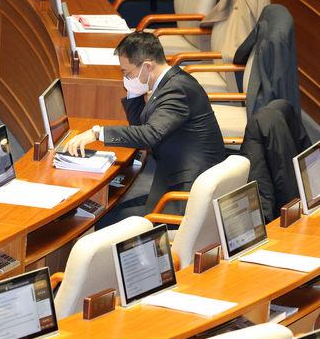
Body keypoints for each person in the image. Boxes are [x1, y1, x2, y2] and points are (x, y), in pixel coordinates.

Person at [65, 32, 225, 226]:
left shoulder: (176, 90)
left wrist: (97, 132)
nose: (125, 78)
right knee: (109, 211)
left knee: (106, 219)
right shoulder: (169, 82)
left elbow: (150, 135)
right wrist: (133, 92)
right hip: (173, 175)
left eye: (127, 73)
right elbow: (141, 128)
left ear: (147, 66)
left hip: (187, 192)